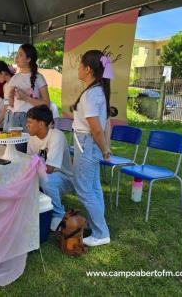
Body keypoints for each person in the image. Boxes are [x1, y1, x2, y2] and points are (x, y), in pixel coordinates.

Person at [72, 50, 113, 247]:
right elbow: (101, 126)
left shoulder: (90, 95)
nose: (78, 69)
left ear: (88, 69)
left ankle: (101, 232)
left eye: (80, 65)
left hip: (87, 144)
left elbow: (96, 129)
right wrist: (103, 148)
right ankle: (99, 226)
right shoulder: (98, 91)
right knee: (94, 187)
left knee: (83, 189)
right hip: (89, 143)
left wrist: (105, 149)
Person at [26, 105, 74, 231]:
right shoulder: (32, 138)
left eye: (30, 122)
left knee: (46, 179)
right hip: (45, 174)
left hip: (64, 178)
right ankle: (35, 209)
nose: (27, 125)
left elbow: (50, 169)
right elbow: (28, 162)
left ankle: (58, 214)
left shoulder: (57, 136)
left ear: (41, 124)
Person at [0, 60, 15, 131]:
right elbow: (5, 106)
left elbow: (9, 105)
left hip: (16, 117)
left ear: (2, 73)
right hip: (8, 117)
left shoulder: (15, 82)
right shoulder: (5, 86)